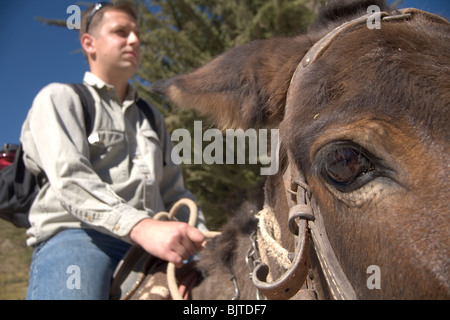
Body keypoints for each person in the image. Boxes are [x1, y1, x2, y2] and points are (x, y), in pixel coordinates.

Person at [21, 1, 207, 300]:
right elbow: (71, 179)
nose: (134, 40)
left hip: (153, 246)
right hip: (79, 236)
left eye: (136, 34)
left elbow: (175, 194)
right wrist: (141, 227)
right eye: (121, 32)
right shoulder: (59, 98)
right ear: (89, 43)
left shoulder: (151, 117)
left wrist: (202, 242)